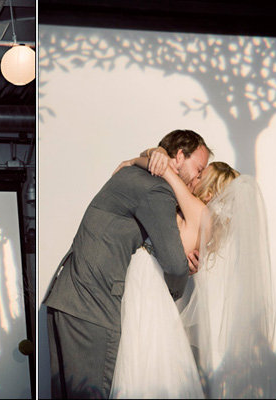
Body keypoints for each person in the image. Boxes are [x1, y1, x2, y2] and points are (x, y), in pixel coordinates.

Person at [42, 129, 211, 398]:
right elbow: (175, 264)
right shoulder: (157, 189)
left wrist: (142, 156)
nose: (199, 178)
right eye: (199, 169)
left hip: (70, 301)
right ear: (179, 156)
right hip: (92, 309)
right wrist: (182, 279)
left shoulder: (132, 174)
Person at [112, 149, 276, 398]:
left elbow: (165, 170)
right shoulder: (211, 223)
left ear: (209, 191)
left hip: (145, 281)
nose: (194, 179)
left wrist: (133, 160)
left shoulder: (197, 209)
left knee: (139, 358)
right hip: (157, 287)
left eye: (201, 175)